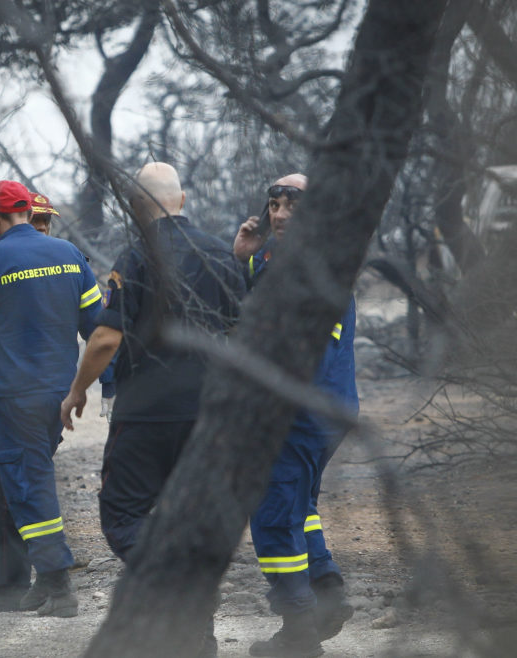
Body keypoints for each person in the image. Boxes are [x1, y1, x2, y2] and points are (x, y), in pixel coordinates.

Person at [60, 162, 244, 656]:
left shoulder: (139, 254)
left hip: (145, 414)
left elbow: (104, 338)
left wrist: (78, 390)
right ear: (181, 200)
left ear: (139, 207)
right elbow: (240, 332)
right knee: (192, 517)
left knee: (122, 516)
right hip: (208, 412)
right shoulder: (219, 254)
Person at [0, 180, 103, 618]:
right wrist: (97, 381)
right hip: (57, 395)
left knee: (27, 485)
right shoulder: (70, 255)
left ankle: (57, 580)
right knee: (19, 481)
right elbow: (98, 326)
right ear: (30, 212)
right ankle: (11, 588)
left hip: (11, 397)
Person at [233, 174, 358, 657]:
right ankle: (326, 593)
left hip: (296, 411)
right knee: (299, 507)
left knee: (271, 515)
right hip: (326, 409)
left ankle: (299, 633)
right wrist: (244, 261)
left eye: (292, 206)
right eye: (274, 204)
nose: (280, 215)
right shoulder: (295, 257)